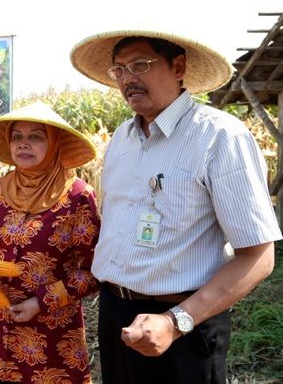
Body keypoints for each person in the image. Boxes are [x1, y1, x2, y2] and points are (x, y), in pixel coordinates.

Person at [70, 30, 283, 384]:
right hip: (116, 315)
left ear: (179, 66)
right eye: (119, 70)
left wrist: (175, 321)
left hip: (185, 322)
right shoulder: (121, 139)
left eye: (140, 65)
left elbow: (259, 256)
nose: (128, 79)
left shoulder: (219, 137)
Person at [0, 101, 100, 384]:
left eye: (35, 137)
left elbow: (92, 272)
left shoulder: (77, 196)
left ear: (54, 143)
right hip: (1, 331)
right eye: (17, 136)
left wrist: (41, 302)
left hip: (53, 337)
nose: (23, 144)